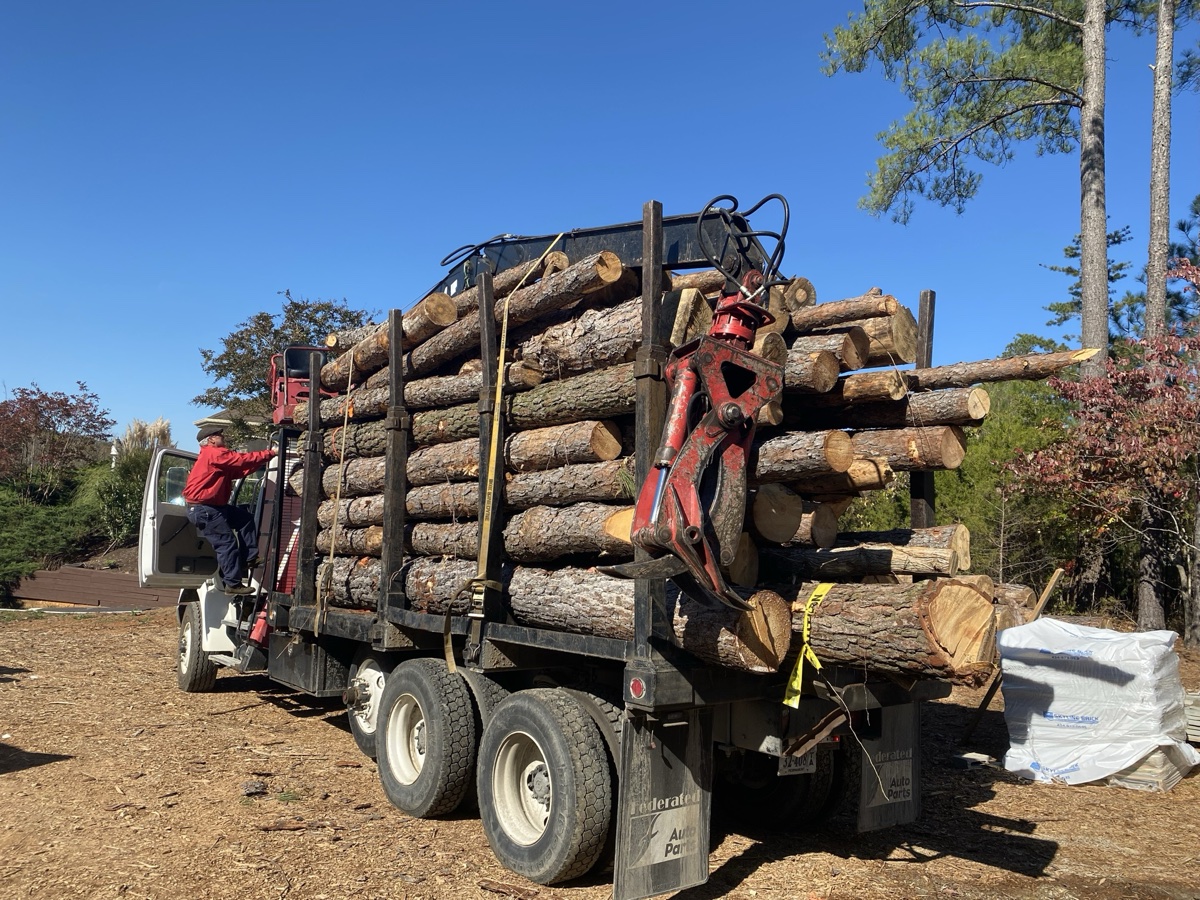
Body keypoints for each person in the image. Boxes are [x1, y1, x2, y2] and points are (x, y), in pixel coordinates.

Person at [182, 424, 275, 596]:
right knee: (227, 544)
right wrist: (270, 453)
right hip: (205, 509)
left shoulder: (213, 458)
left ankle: (249, 558)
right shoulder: (214, 453)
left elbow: (239, 470)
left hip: (212, 508)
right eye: (220, 435)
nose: (223, 438)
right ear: (211, 440)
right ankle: (232, 583)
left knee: (244, 518)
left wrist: (262, 460)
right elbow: (239, 460)